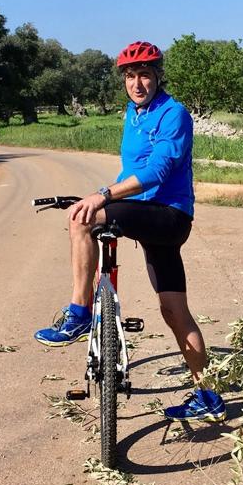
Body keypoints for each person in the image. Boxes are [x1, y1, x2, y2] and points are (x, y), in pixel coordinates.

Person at [34, 40, 226, 422]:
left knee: (81, 220)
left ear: (158, 76)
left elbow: (157, 171)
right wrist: (101, 195)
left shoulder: (173, 114)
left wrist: (102, 196)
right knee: (174, 310)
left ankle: (79, 313)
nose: (137, 83)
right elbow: (131, 171)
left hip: (168, 217)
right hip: (144, 213)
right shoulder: (132, 114)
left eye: (145, 75)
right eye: (130, 76)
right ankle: (209, 395)